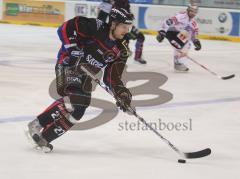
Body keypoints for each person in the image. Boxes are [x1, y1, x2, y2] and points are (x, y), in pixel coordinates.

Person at [26, 7, 134, 152]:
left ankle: (44, 138)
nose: (126, 31)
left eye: (128, 27)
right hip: (67, 64)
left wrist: (122, 94)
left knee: (79, 110)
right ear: (113, 24)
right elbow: (64, 28)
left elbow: (112, 77)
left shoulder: (122, 49)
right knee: (76, 99)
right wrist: (72, 49)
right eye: (123, 27)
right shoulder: (96, 27)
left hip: (85, 75)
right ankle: (36, 125)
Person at [98, 0, 147, 64]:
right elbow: (103, 17)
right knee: (138, 37)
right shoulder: (116, 3)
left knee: (140, 37)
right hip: (118, 27)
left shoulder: (125, 2)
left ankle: (135, 56)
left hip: (125, 25)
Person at [156, 4, 201, 72]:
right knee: (179, 46)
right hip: (169, 32)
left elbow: (194, 32)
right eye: (192, 11)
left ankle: (178, 63)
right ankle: (177, 62)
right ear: (188, 10)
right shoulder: (180, 16)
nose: (193, 13)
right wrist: (161, 32)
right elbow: (167, 22)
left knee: (187, 44)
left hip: (177, 33)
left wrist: (196, 41)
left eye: (195, 12)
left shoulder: (193, 22)